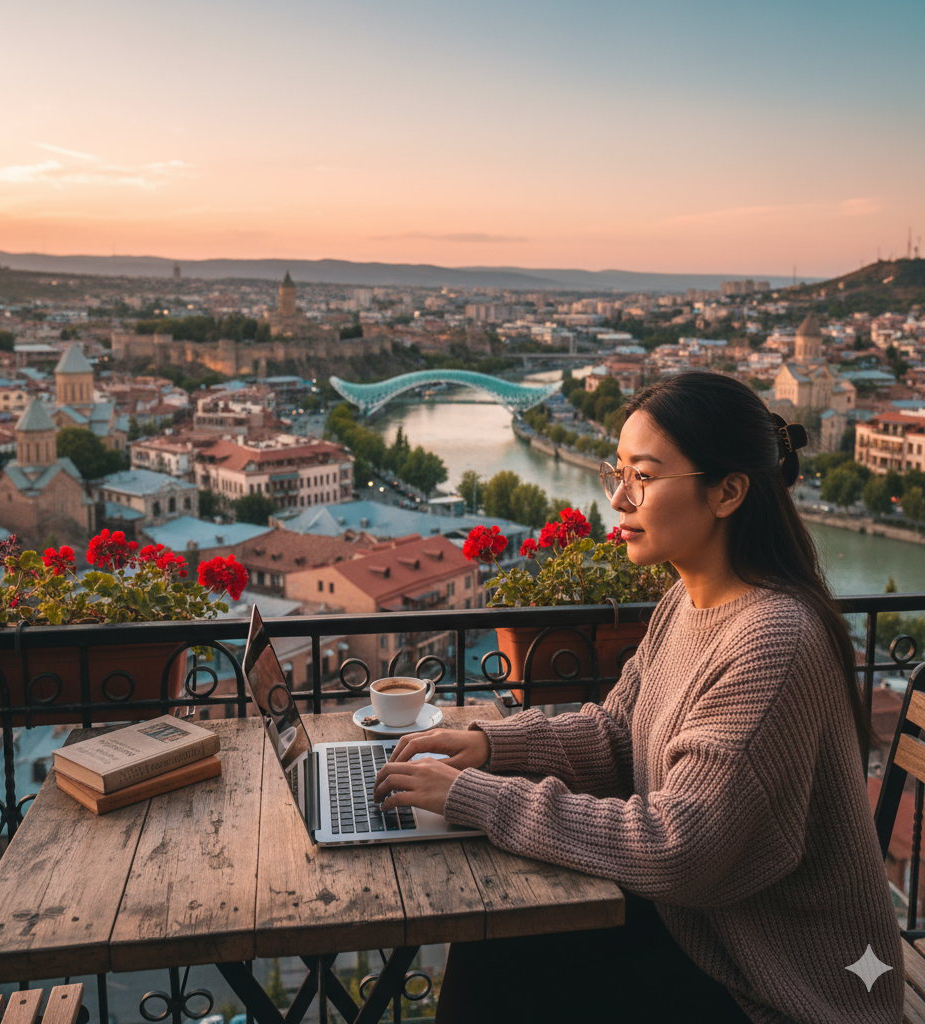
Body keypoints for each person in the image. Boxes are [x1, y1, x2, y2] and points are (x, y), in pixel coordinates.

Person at [374, 371, 903, 1024]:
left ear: (729, 492)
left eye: (644, 478)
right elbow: (620, 732)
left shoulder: (773, 639)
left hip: (781, 980)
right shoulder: (688, 598)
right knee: (500, 945)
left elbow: (681, 849)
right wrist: (491, 746)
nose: (618, 499)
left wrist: (479, 797)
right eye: (617, 472)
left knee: (507, 968)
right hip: (709, 929)